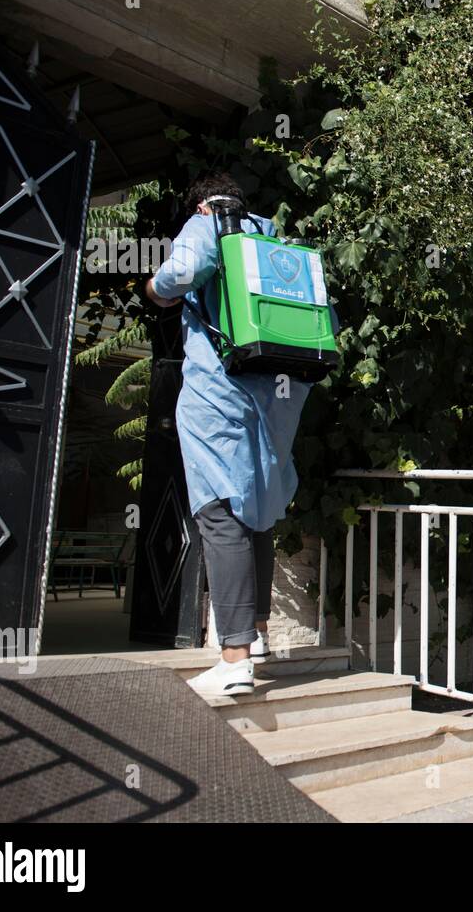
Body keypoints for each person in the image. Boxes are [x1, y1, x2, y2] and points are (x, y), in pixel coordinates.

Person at [145, 172, 329, 697]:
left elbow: (183, 272)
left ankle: (233, 658)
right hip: (282, 391)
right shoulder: (275, 241)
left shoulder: (210, 227)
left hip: (220, 392)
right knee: (259, 509)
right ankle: (261, 633)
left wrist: (154, 290)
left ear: (200, 205)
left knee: (218, 508)